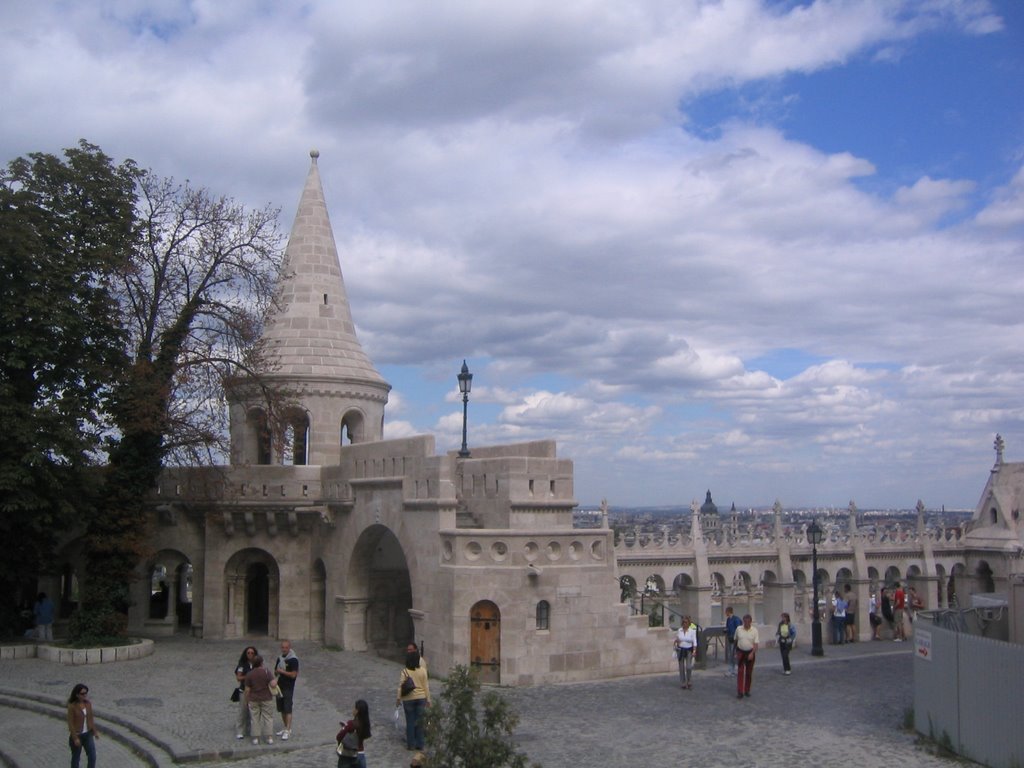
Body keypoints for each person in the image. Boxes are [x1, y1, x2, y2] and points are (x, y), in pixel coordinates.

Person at [397, 647, 430, 751]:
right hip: (421, 698)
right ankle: (420, 743)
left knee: (410, 722)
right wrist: (428, 699)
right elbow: (426, 686)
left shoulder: (405, 671)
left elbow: (401, 686)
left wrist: (398, 698)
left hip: (408, 699)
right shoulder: (423, 671)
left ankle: (411, 744)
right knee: (420, 722)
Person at [244, 654, 275, 746]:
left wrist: (247, 700)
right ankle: (269, 737)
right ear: (262, 663)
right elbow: (273, 684)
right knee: (268, 717)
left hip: (254, 699)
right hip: (266, 698)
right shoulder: (266, 672)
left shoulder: (249, 674)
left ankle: (256, 738)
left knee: (254, 718)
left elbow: (247, 690)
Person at [67, 683, 99, 768]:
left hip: (88, 734)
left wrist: (95, 731)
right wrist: (75, 738)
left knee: (92, 756)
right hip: (77, 735)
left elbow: (90, 718)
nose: (85, 695)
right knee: (76, 758)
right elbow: (70, 723)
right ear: (77, 695)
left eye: (86, 693)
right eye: (82, 693)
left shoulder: (88, 704)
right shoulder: (72, 706)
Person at [274, 639, 299, 740]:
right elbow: (276, 671)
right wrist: (276, 672)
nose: (284, 649)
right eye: (282, 647)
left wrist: (282, 672)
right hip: (279, 685)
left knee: (287, 707)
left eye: (286, 647)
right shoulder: (280, 658)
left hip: (288, 686)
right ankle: (285, 727)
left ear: (289, 648)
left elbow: (294, 675)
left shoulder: (293, 660)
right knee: (281, 708)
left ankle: (288, 730)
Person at [336, 699, 371, 768]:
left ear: (357, 711)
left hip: (347, 756)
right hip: (360, 754)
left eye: (354, 708)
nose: (353, 709)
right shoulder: (366, 724)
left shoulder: (351, 724)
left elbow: (338, 737)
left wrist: (345, 728)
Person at [234, 646, 258, 739]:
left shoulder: (257, 664)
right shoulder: (242, 665)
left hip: (254, 690)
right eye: (248, 653)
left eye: (252, 653)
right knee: (243, 710)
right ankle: (240, 730)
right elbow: (238, 677)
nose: (250, 655)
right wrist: (248, 676)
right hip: (244, 690)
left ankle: (251, 729)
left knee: (253, 711)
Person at [734, 614, 759, 698]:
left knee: (748, 673)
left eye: (748, 622)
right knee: (740, 672)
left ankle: (747, 690)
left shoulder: (754, 630)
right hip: (741, 652)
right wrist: (735, 652)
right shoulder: (738, 629)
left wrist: (752, 653)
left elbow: (756, 644)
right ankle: (740, 691)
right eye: (745, 622)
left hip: (750, 652)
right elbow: (736, 640)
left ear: (750, 622)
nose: (746, 623)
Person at [674, 615, 697, 689]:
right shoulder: (679, 630)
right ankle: (683, 682)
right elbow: (677, 639)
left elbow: (694, 641)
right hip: (680, 650)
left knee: (688, 666)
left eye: (686, 622)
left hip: (688, 650)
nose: (684, 624)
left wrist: (694, 650)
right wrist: (677, 642)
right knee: (681, 667)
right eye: (683, 622)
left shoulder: (692, 631)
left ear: (689, 623)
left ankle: (689, 680)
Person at [724, 605, 741, 677]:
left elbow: (738, 629)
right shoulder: (728, 619)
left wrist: (736, 639)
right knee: (731, 654)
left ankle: (735, 669)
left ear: (729, 612)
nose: (725, 613)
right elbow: (728, 627)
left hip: (735, 640)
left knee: (734, 655)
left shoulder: (736, 619)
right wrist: (726, 630)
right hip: (730, 638)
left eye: (726, 612)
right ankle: (732, 669)